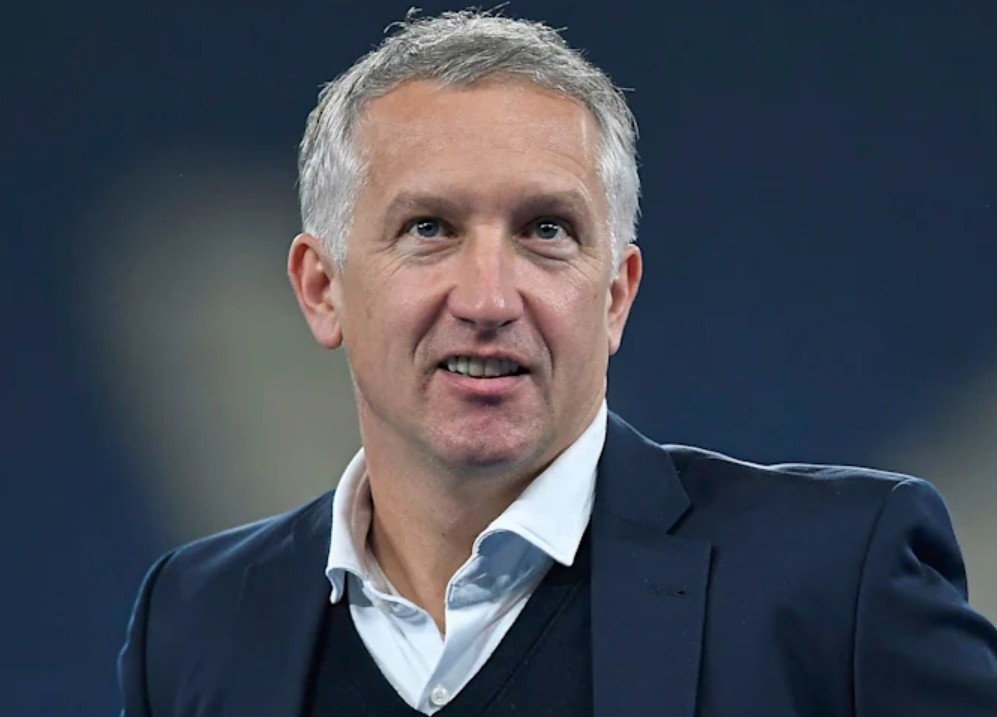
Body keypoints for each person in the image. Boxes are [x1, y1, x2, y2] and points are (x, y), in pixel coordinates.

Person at [117, 9, 997, 717]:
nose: (488, 298)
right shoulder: (195, 620)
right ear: (322, 289)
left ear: (615, 294)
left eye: (546, 230)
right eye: (429, 228)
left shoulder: (836, 586)